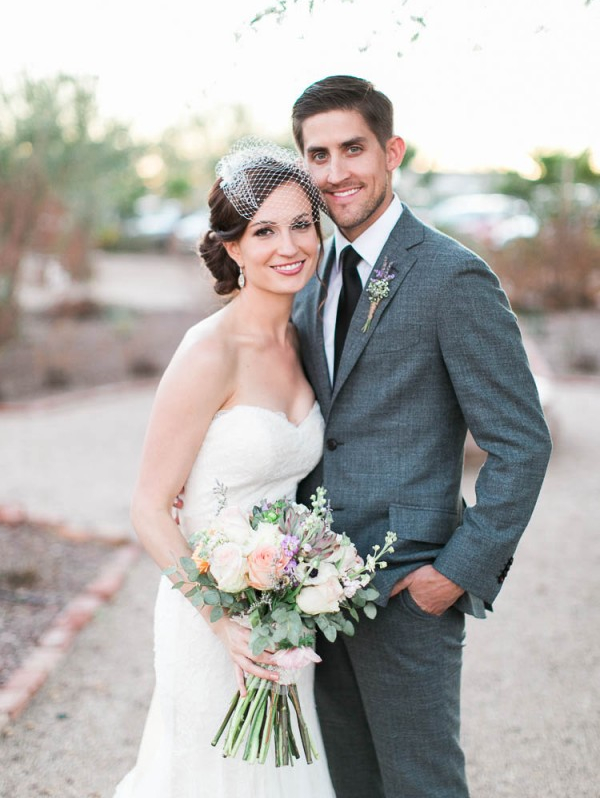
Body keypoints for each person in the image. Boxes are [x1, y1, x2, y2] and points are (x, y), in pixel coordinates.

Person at [290, 75, 553, 798]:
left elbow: (522, 442)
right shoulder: (310, 282)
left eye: (353, 148)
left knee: (422, 786)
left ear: (391, 150)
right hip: (316, 592)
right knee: (352, 784)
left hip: (409, 592)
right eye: (318, 154)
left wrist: (453, 575)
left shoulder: (452, 277)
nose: (336, 171)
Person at [113, 140, 336, 798]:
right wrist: (223, 621)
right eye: (264, 230)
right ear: (232, 247)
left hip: (285, 611)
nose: (288, 245)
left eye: (301, 224)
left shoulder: (302, 337)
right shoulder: (208, 351)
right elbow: (150, 509)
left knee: (283, 774)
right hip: (209, 618)